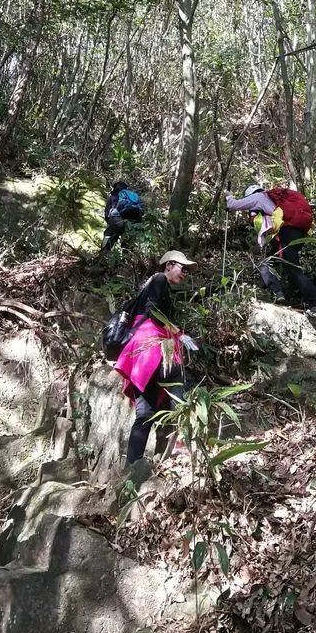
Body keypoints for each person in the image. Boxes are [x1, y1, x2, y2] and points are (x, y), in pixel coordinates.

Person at [114, 250, 196, 465]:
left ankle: (133, 466)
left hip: (143, 352)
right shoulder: (159, 279)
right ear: (169, 265)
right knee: (178, 384)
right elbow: (153, 312)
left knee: (146, 411)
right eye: (183, 268)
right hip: (151, 345)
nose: (185, 273)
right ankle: (181, 445)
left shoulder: (157, 284)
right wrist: (179, 334)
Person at [226, 183, 316, 313]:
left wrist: (229, 197)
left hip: (288, 232)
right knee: (268, 263)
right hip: (299, 232)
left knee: (293, 269)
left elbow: (233, 205)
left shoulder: (258, 197)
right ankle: (282, 295)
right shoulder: (273, 199)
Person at [101, 180, 145, 252]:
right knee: (127, 241)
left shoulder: (113, 196)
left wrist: (109, 222)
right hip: (134, 220)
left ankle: (104, 254)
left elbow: (107, 213)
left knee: (109, 235)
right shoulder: (132, 196)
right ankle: (127, 258)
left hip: (117, 220)